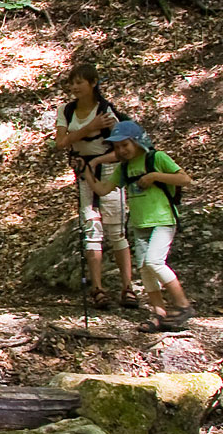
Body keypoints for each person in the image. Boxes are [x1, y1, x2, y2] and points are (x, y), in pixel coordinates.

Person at [85, 121, 193, 332]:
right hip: (139, 223)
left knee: (154, 261)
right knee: (145, 270)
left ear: (137, 142)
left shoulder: (156, 158)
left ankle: (182, 304)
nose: (121, 150)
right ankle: (158, 313)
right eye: (117, 147)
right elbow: (103, 188)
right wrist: (88, 171)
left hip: (163, 219)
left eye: (125, 145)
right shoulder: (123, 168)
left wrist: (154, 176)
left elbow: (184, 179)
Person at [52, 61, 138, 309]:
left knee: (115, 229)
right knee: (91, 228)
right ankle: (97, 288)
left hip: (108, 168)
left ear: (93, 84)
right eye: (72, 82)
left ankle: (127, 287)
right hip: (82, 171)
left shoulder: (105, 111)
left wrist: (98, 158)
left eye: (81, 82)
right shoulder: (66, 111)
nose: (75, 87)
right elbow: (60, 142)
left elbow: (122, 149)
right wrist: (88, 129)